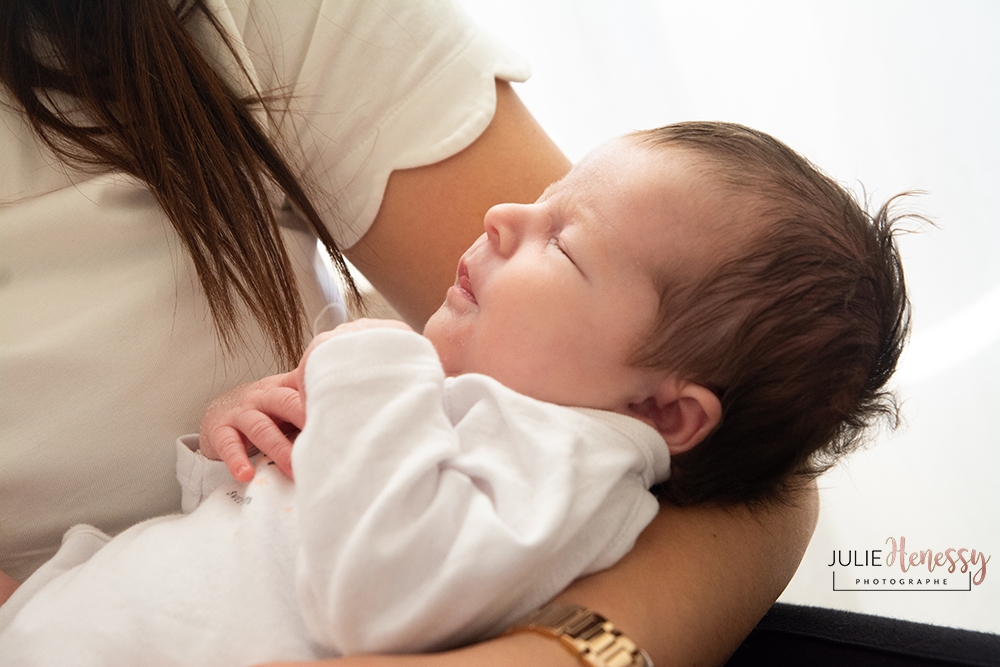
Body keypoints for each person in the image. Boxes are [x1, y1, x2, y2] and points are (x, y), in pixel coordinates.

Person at [0, 1, 818, 665]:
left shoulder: (564, 466)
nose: (502, 215)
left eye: (563, 242)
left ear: (667, 414)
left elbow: (376, 592)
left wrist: (363, 353)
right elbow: (261, 542)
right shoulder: (493, 413)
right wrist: (235, 442)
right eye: (545, 198)